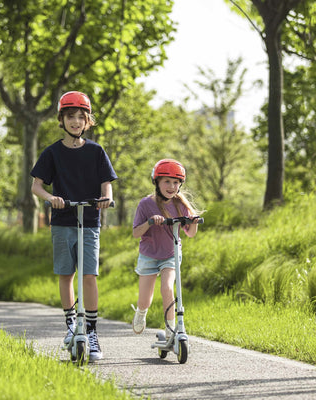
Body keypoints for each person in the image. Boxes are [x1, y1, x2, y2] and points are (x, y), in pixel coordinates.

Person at [30, 91, 117, 361]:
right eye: (71, 117)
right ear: (62, 119)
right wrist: (51, 198)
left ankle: (90, 331)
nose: (76, 122)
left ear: (87, 121)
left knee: (89, 275)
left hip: (90, 221)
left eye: (81, 117)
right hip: (63, 221)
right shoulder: (52, 153)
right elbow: (36, 186)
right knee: (66, 274)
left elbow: (107, 186)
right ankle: (71, 326)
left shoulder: (96, 151)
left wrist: (106, 200)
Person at [131, 159, 201, 338]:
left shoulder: (180, 205)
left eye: (176, 182)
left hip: (171, 255)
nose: (172, 186)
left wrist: (193, 222)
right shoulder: (145, 204)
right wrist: (150, 221)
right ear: (157, 182)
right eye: (167, 181)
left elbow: (190, 233)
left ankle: (171, 328)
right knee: (145, 299)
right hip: (149, 256)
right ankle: (140, 312)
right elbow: (136, 233)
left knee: (168, 288)